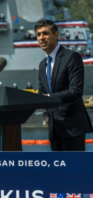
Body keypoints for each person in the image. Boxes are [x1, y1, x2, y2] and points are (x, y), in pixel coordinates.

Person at [36, 19, 92, 151]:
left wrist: (48, 97)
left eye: (45, 33)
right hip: (54, 130)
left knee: (74, 170)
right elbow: (41, 93)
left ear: (55, 35)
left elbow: (76, 91)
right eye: (38, 34)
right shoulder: (42, 64)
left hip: (72, 127)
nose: (41, 38)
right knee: (58, 171)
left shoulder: (72, 57)